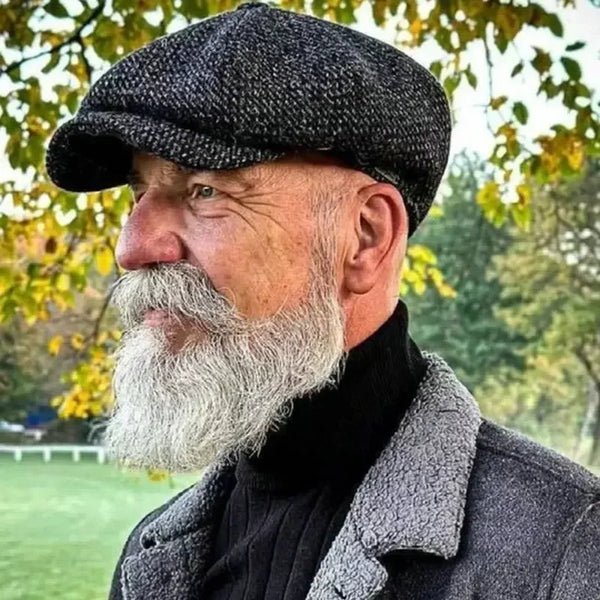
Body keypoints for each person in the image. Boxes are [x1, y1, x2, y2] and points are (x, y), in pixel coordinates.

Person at [44, 3, 600, 599]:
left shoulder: (565, 547)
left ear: (366, 236)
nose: (131, 247)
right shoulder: (152, 556)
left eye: (204, 191)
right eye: (138, 195)